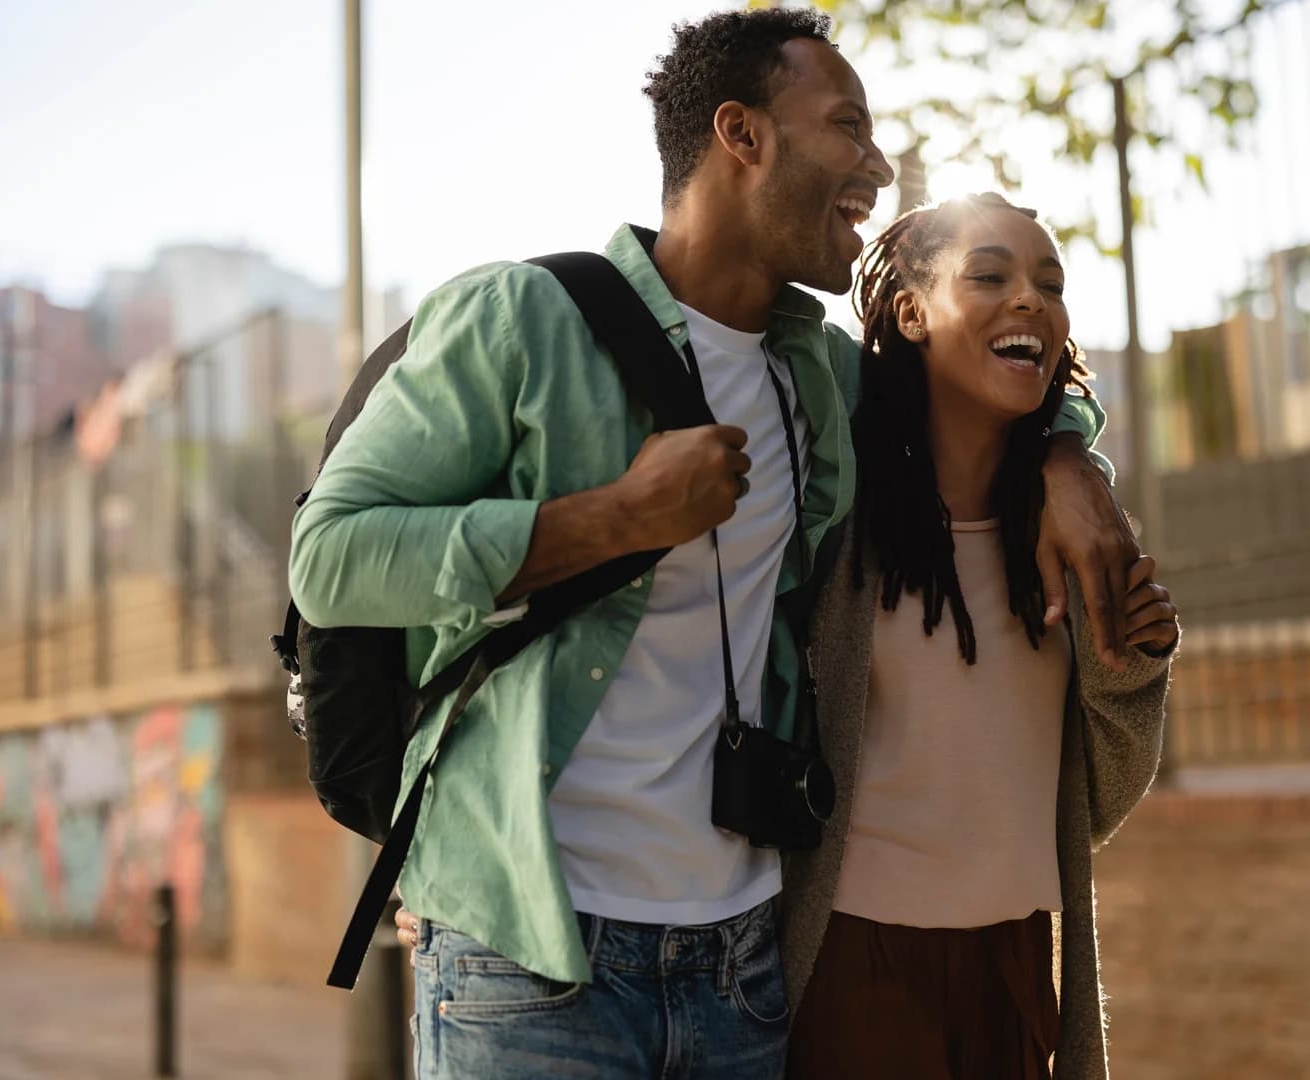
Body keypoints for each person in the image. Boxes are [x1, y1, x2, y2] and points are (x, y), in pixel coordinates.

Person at [298, 9, 1135, 1079]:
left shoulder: (821, 375)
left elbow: (993, 386)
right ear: (742, 135)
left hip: (740, 966)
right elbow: (329, 559)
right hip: (532, 957)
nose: (878, 165)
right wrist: (616, 518)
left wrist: (1068, 462)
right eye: (847, 126)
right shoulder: (522, 319)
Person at [778, 194, 1178, 1080]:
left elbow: (1091, 803)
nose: (1030, 298)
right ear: (910, 314)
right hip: (855, 967)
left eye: (1050, 284)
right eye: (989, 276)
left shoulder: (1072, 540)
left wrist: (1132, 668)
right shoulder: (840, 518)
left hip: (1015, 968)